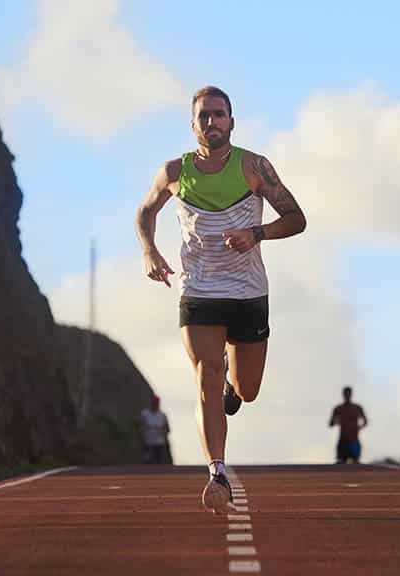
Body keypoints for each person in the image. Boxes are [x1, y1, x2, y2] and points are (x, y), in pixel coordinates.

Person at [135, 86, 307, 513]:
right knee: (205, 377)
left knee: (246, 391)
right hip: (198, 290)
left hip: (248, 293)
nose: (211, 122)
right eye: (203, 116)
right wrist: (150, 251)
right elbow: (145, 211)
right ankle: (217, 472)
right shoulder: (174, 172)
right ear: (193, 124)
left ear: (232, 120)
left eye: (219, 115)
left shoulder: (254, 167)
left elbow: (297, 218)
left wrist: (257, 233)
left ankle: (235, 382)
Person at [329, 387, 367, 464]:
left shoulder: (357, 408)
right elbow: (331, 423)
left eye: (349, 394)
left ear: (351, 395)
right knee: (341, 464)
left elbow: (365, 421)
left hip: (354, 440)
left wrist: (358, 428)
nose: (347, 396)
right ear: (343, 395)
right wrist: (337, 421)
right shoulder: (338, 409)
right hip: (343, 440)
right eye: (346, 394)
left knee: (356, 464)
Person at [140, 395, 171, 464]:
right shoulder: (145, 414)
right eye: (154, 402)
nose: (155, 404)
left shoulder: (162, 415)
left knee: (159, 462)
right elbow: (141, 427)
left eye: (156, 403)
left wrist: (163, 431)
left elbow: (167, 429)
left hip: (159, 443)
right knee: (147, 462)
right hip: (148, 443)